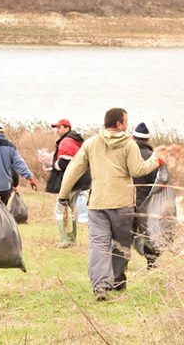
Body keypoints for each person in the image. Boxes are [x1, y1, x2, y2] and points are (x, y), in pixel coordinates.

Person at [58, 108, 163, 301]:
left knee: (98, 243)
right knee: (120, 243)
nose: (127, 125)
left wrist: (63, 195)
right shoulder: (128, 144)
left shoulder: (91, 143)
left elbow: (73, 169)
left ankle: (100, 285)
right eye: (126, 121)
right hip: (123, 204)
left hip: (98, 203)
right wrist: (157, 160)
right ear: (119, 124)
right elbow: (138, 170)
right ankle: (116, 280)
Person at [50, 118, 91, 247]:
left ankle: (66, 240)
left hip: (72, 180)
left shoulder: (66, 141)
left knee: (61, 209)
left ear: (67, 128)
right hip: (81, 179)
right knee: (70, 209)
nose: (57, 130)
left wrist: (52, 165)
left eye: (59, 127)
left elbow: (65, 162)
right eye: (56, 127)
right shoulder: (76, 140)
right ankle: (70, 239)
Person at [131, 122, 160, 269]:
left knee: (124, 235)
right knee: (149, 235)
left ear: (133, 137)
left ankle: (120, 266)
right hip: (147, 204)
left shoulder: (127, 154)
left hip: (128, 201)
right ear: (147, 140)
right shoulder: (153, 157)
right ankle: (152, 264)